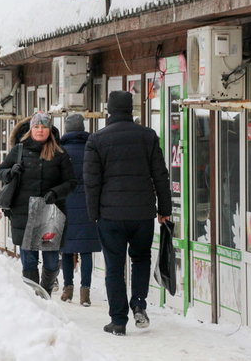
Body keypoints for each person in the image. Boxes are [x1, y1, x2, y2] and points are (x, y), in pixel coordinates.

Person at [84, 91, 171, 336]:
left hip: (110, 216)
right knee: (141, 258)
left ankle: (118, 320)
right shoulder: (148, 136)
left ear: (109, 110)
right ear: (130, 109)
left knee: (114, 267)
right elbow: (160, 176)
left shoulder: (97, 140)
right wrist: (164, 210)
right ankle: (139, 304)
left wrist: (94, 215)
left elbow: (92, 182)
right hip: (142, 213)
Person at [0, 112, 76, 296]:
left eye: (44, 127)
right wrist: (10, 172)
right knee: (29, 261)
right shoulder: (19, 150)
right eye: (37, 127)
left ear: (50, 130)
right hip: (23, 212)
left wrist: (55, 193)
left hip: (50, 212)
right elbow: (1, 171)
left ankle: (45, 291)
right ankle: (34, 298)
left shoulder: (59, 153)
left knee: (50, 262)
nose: (40, 130)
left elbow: (71, 183)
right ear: (31, 129)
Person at [58, 114, 101, 307]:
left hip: (65, 202)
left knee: (66, 249)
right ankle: (85, 292)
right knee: (85, 251)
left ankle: (68, 289)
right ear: (82, 128)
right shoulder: (92, 148)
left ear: (67, 130)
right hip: (87, 204)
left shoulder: (60, 150)